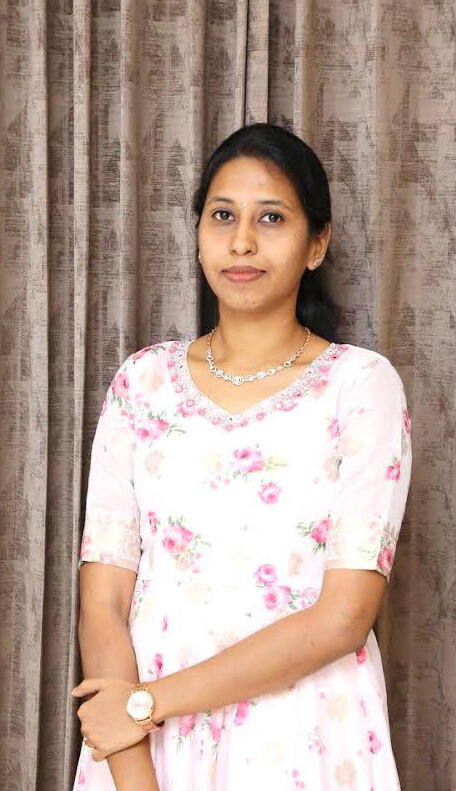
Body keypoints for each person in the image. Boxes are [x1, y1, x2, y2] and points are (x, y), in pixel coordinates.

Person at [71, 122, 412, 791]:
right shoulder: (142, 382)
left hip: (305, 738)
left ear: (317, 244)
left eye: (272, 218)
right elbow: (104, 599)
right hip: (145, 751)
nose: (243, 241)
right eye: (223, 215)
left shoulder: (360, 387)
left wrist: (145, 704)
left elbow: (344, 616)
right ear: (199, 232)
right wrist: (135, 772)